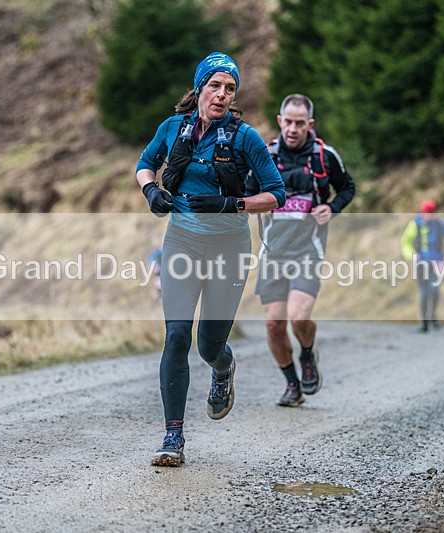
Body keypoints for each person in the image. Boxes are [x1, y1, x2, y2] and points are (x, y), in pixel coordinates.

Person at [135, 52, 285, 467]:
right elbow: (145, 166)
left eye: (230, 88)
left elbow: (277, 194)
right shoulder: (172, 128)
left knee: (208, 345)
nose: (222, 94)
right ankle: (173, 437)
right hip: (181, 241)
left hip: (229, 249)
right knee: (177, 336)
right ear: (199, 87)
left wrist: (231, 204)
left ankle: (223, 368)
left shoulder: (245, 138)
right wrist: (151, 191)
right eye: (215, 85)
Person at [246, 94, 355, 408]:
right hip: (272, 251)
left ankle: (307, 354)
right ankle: (292, 384)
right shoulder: (263, 154)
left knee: (298, 317)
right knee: (273, 324)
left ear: (310, 124)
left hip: (308, 249)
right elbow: (246, 195)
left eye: (300, 123)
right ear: (280, 122)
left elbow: (347, 187)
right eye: (288, 122)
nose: (293, 129)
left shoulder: (324, 155)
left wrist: (331, 207)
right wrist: (258, 207)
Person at [400, 200, 444, 333]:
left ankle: (433, 315)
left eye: (431, 213)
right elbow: (406, 243)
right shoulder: (414, 225)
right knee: (424, 292)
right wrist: (412, 255)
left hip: (437, 263)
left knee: (435, 289)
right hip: (420, 264)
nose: (429, 215)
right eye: (427, 213)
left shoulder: (439, 225)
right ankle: (424, 321)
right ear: (422, 212)